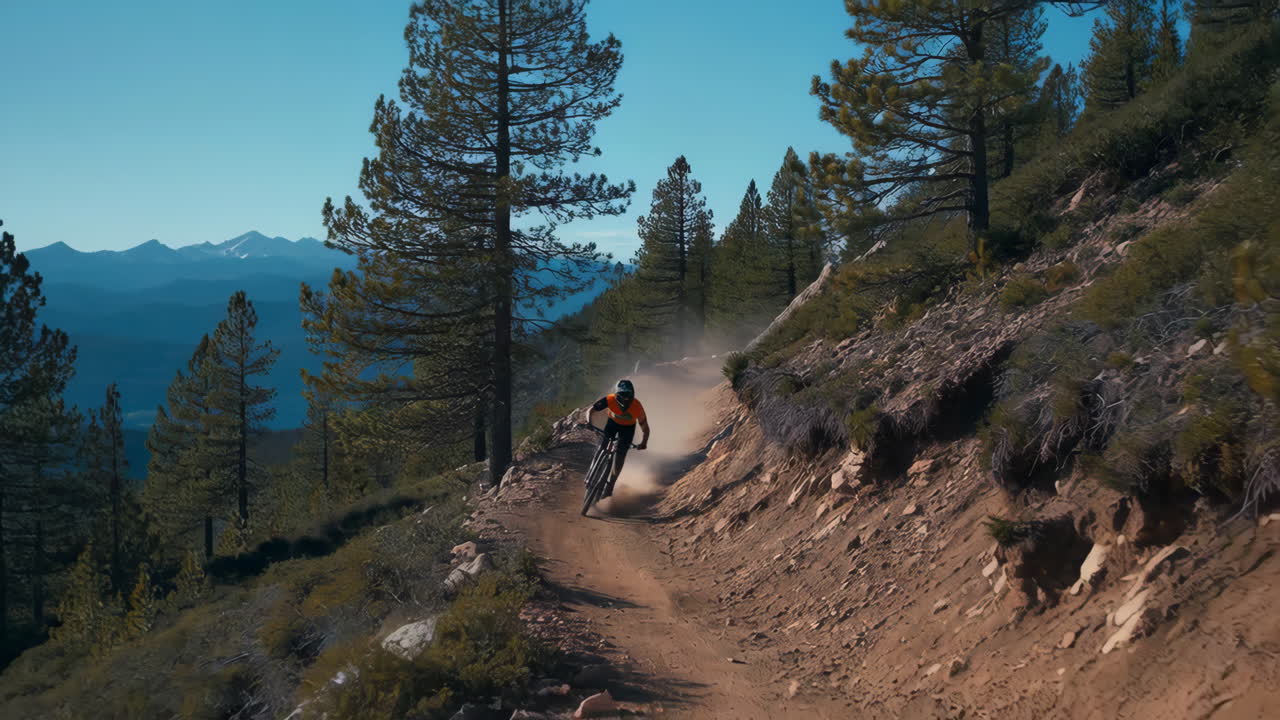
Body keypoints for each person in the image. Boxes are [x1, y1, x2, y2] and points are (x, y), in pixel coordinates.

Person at [584, 379, 650, 497]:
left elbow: (645, 427)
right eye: (622, 395)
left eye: (627, 395)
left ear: (632, 395)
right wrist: (589, 422)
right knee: (602, 447)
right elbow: (591, 410)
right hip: (613, 424)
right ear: (616, 394)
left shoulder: (637, 406)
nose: (625, 399)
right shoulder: (610, 399)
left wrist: (644, 442)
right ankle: (591, 475)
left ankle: (611, 484)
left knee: (620, 455)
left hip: (627, 429)